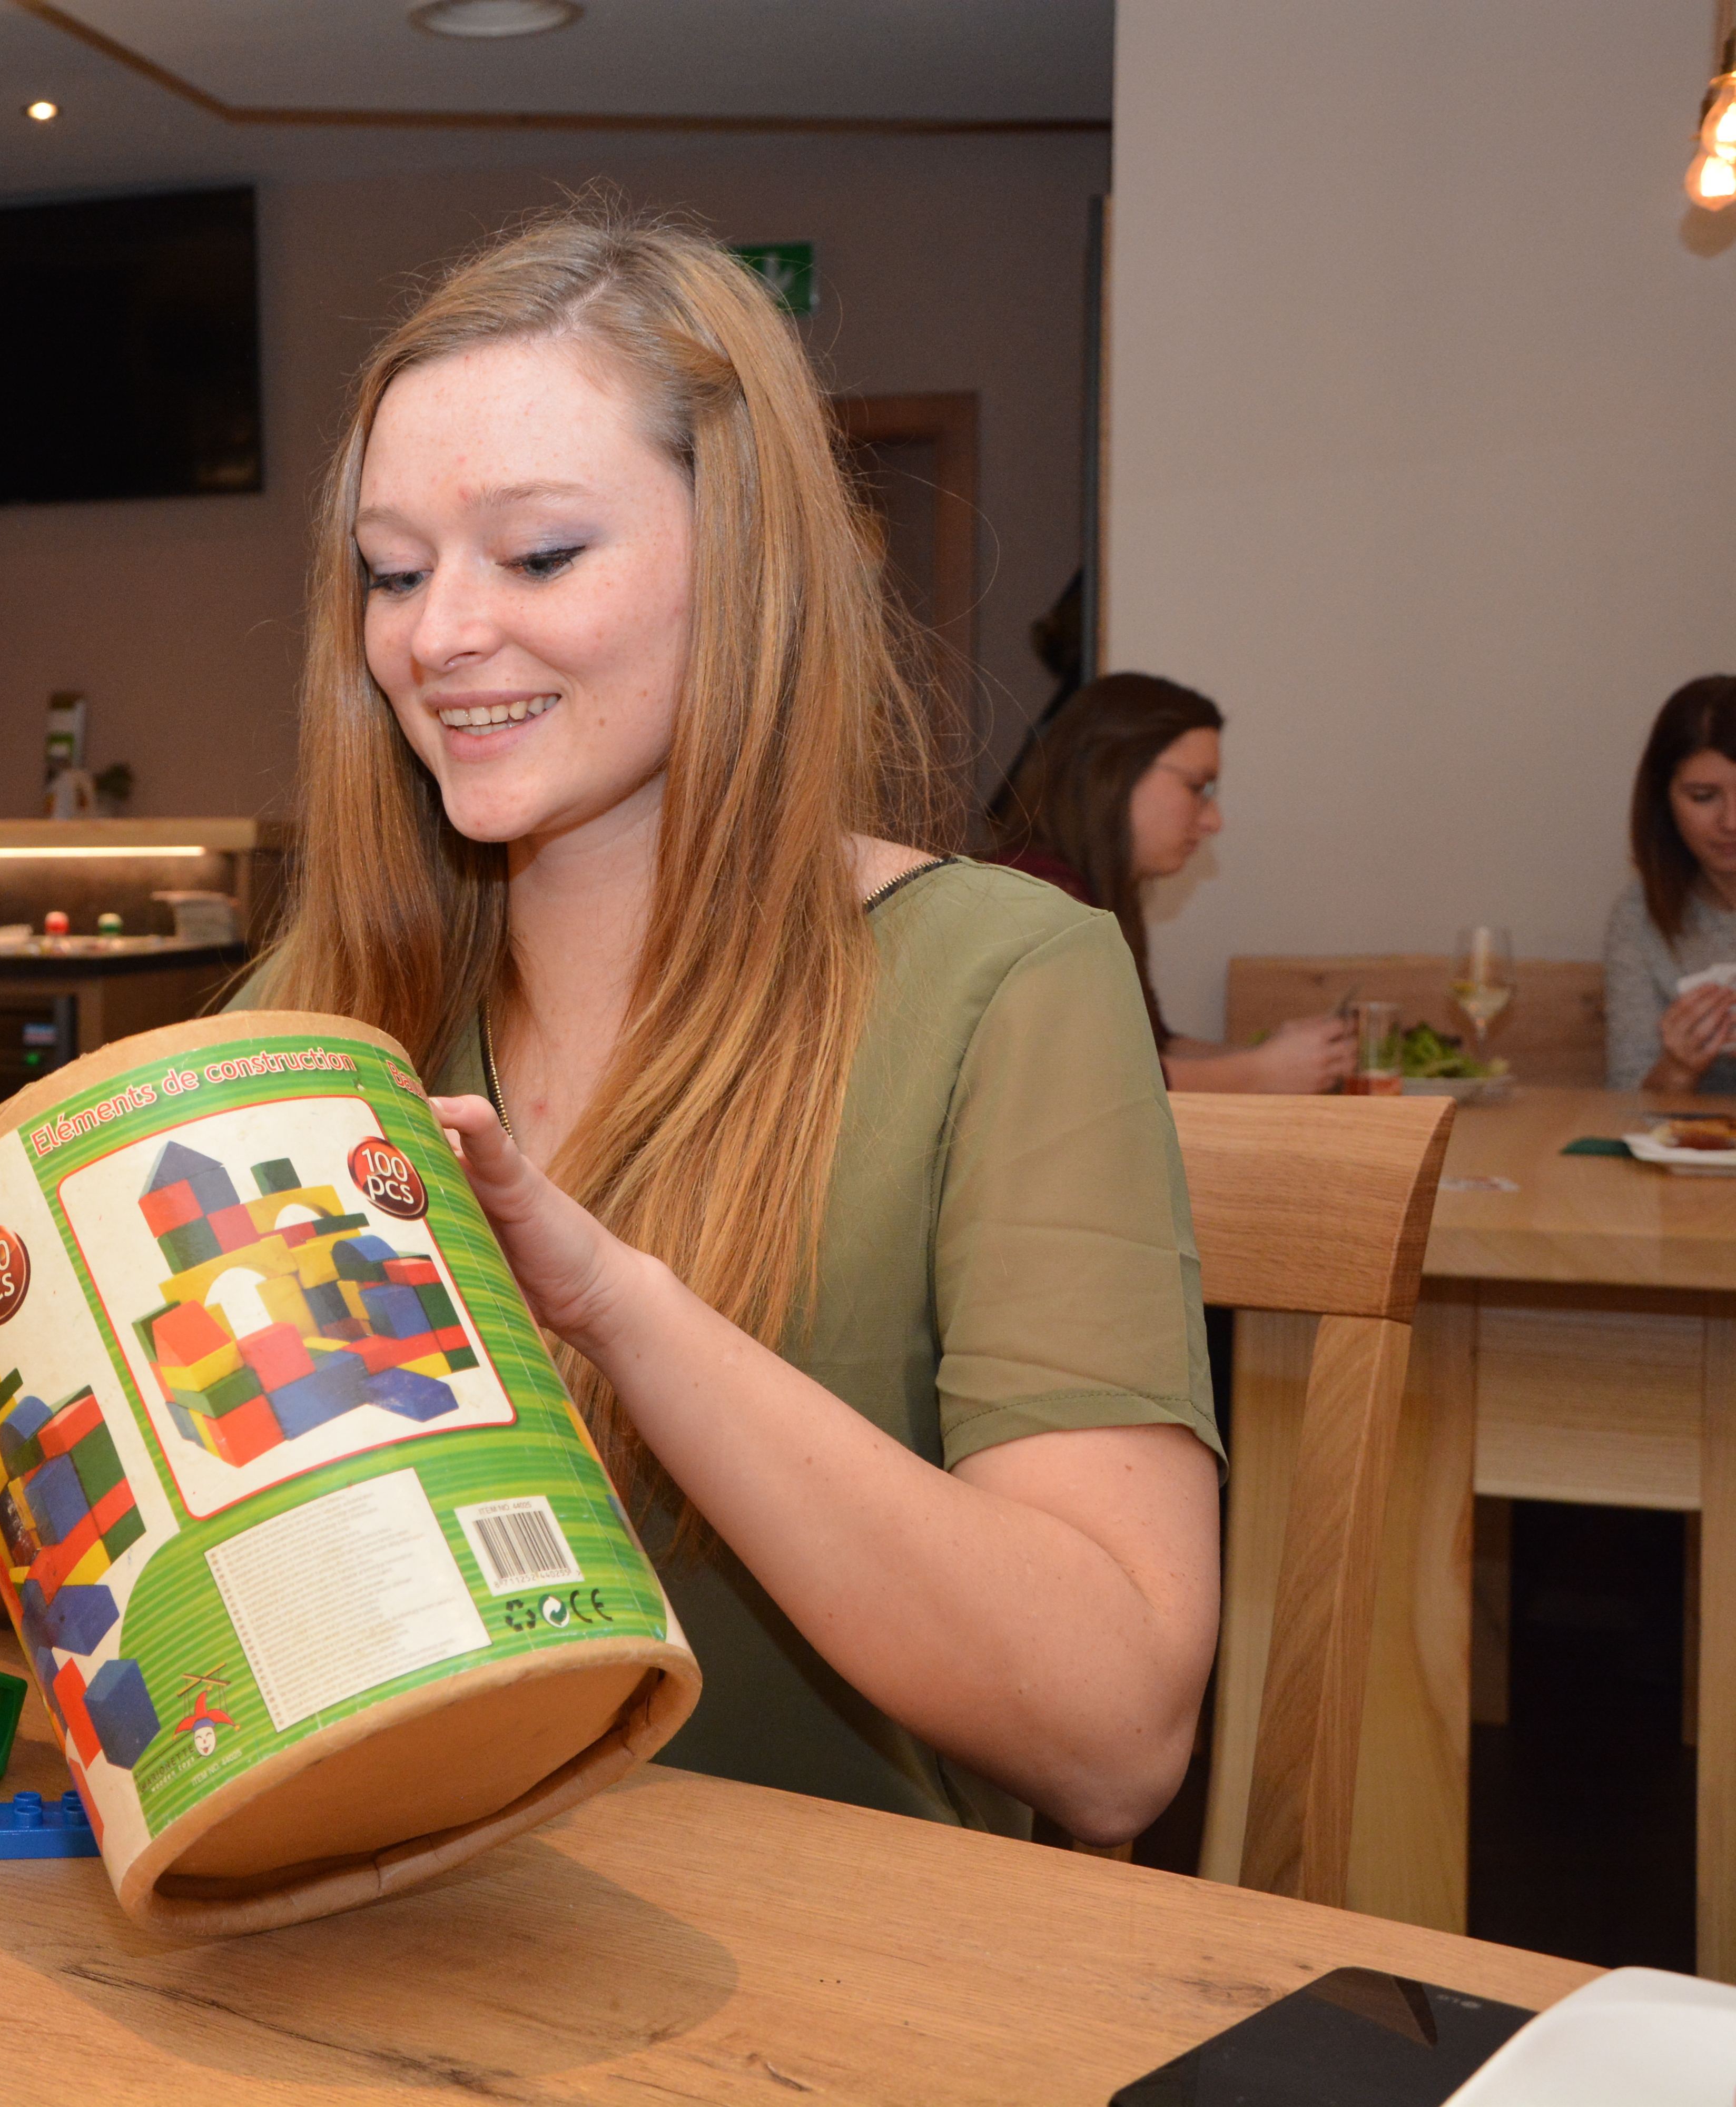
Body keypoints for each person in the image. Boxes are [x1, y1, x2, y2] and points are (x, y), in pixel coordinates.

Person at [243, 208, 1220, 1846]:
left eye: (538, 555)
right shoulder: (325, 1005)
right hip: (396, 1913)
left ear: (749, 564)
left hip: (842, 1960)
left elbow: (1113, 1733)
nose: (433, 634)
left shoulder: (1002, 983)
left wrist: (614, 1307)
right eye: (393, 572)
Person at [983, 674, 1351, 1092]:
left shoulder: (1092, 895)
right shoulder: (1039, 901)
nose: (1214, 820)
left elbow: (1149, 1051)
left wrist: (1283, 1059)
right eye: (1197, 787)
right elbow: (1083, 1082)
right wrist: (1257, 1072)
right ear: (1113, 770)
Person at [1607, 675, 1736, 1092]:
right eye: (1703, 797)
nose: (1731, 822)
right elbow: (1628, 1102)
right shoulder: (1641, 915)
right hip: (1693, 1135)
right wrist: (1679, 1067)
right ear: (1664, 801)